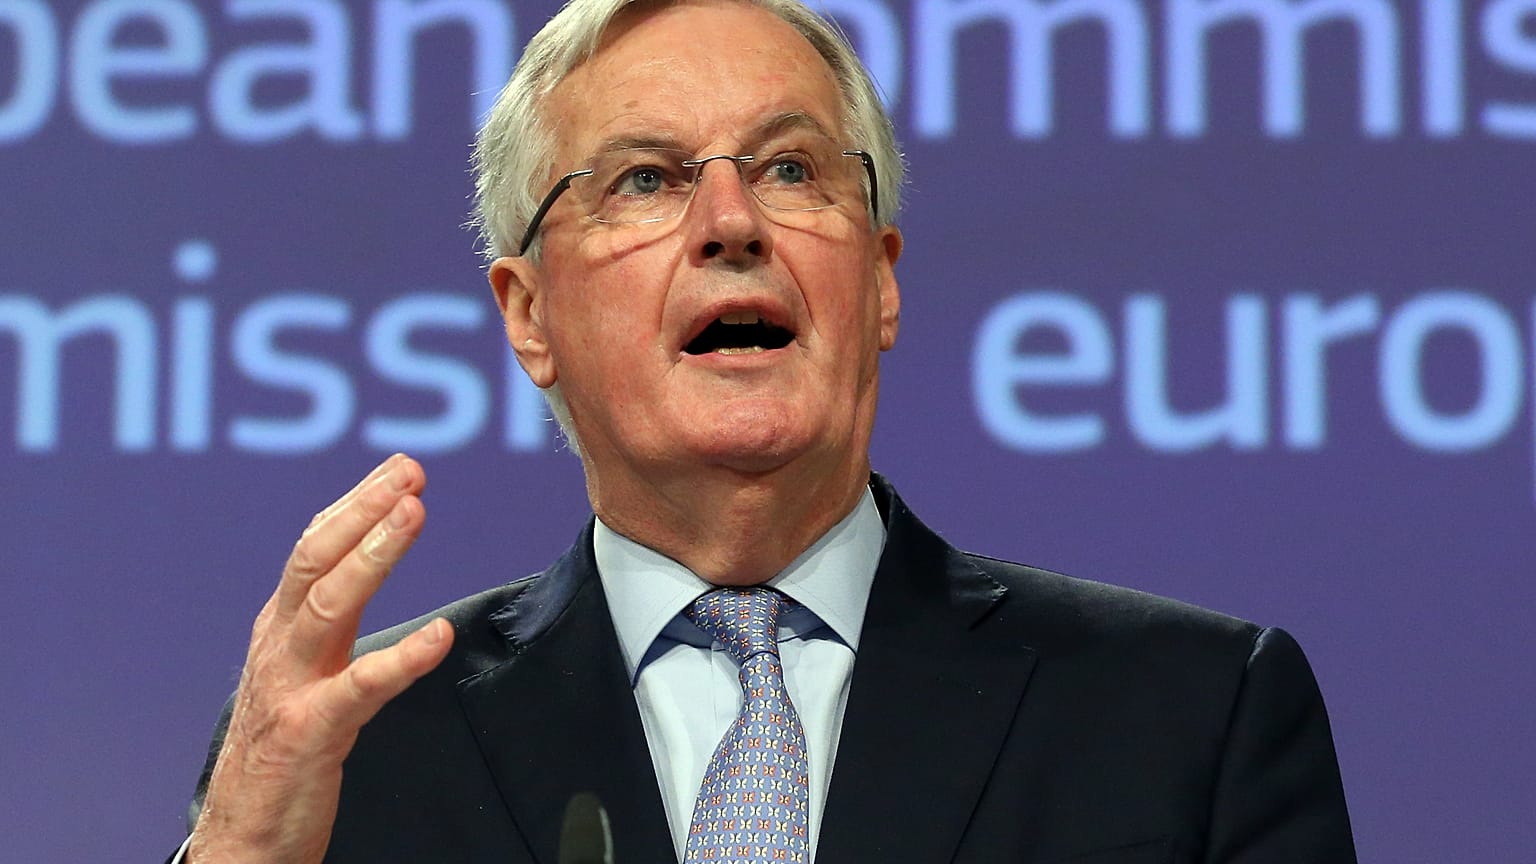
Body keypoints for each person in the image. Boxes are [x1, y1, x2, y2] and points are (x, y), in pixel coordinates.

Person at [173, 0, 1357, 860]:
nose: (731, 220)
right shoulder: (354, 759)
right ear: (529, 317)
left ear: (880, 281)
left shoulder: (1193, 715)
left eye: (792, 169)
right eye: (644, 179)